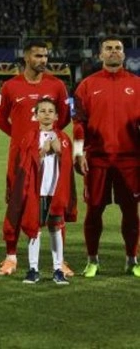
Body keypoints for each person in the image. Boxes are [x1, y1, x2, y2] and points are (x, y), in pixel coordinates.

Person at [0, 40, 73, 277]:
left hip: (50, 158)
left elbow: (64, 118)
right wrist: (25, 142)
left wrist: (47, 139)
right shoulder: (10, 86)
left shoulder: (57, 85)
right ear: (27, 57)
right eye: (38, 56)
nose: (43, 60)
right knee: (16, 205)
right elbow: (0, 120)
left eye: (45, 56)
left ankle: (60, 261)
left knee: (55, 205)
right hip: (20, 159)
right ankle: (11, 257)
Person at [73, 36, 140, 278]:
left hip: (130, 160)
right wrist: (78, 152)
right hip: (97, 160)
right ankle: (92, 260)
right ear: (100, 54)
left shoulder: (137, 84)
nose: (113, 52)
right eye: (108, 48)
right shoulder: (87, 85)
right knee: (94, 211)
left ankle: (132, 260)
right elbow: (79, 123)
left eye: (118, 48)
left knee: (131, 213)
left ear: (124, 54)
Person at [8, 98, 74, 285]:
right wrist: (42, 152)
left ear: (57, 116)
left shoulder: (63, 137)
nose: (46, 114)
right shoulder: (30, 136)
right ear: (35, 115)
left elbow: (68, 165)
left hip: (55, 192)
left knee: (55, 229)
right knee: (33, 229)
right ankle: (33, 269)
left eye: (50, 111)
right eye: (42, 111)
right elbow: (24, 162)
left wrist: (60, 152)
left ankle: (58, 269)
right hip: (36, 192)